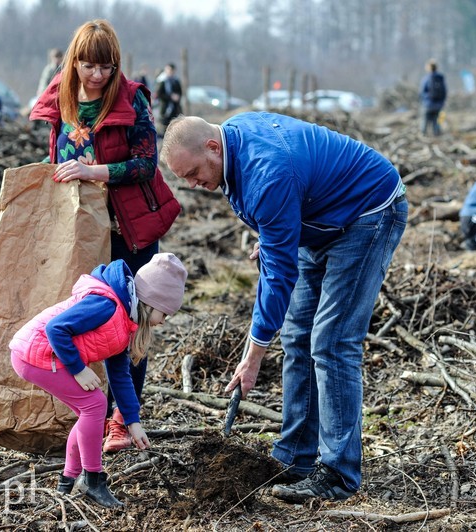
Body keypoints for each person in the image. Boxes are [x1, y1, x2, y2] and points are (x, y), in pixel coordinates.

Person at [160, 113, 407, 503]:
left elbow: (277, 277)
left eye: (193, 173)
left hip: (368, 211)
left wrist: (253, 355)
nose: (194, 185)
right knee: (296, 336)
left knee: (332, 341)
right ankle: (295, 459)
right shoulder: (233, 145)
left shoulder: (267, 172)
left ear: (212, 147)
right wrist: (279, 234)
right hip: (319, 218)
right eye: (185, 180)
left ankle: (339, 474)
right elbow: (278, 222)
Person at [29, 19, 181, 453]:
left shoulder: (132, 99)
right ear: (74, 61)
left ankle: (121, 419)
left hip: (128, 231)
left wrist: (94, 171)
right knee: (87, 320)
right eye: (89, 65)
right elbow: (58, 156)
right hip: (80, 233)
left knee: (131, 327)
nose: (97, 75)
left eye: (106, 67)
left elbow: (146, 164)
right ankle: (83, 411)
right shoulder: (62, 99)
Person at [9, 254, 188, 507]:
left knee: (89, 411)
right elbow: (56, 329)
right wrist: (79, 369)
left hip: (44, 354)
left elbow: (120, 375)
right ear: (151, 301)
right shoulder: (106, 306)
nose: (162, 322)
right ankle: (92, 481)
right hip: (35, 353)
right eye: (165, 313)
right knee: (94, 405)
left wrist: (132, 421)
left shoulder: (126, 321)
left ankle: (67, 482)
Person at [419, 59, 447, 136]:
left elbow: (422, 92)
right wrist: (441, 102)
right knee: (436, 120)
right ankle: (436, 134)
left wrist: (423, 101)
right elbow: (445, 91)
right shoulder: (440, 78)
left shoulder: (426, 78)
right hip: (439, 105)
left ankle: (423, 135)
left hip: (428, 104)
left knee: (425, 120)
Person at [155, 63, 182, 131]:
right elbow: (159, 94)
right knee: (165, 128)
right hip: (165, 108)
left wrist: (177, 97)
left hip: (175, 108)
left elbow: (180, 92)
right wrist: (170, 97)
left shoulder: (176, 80)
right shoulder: (162, 80)